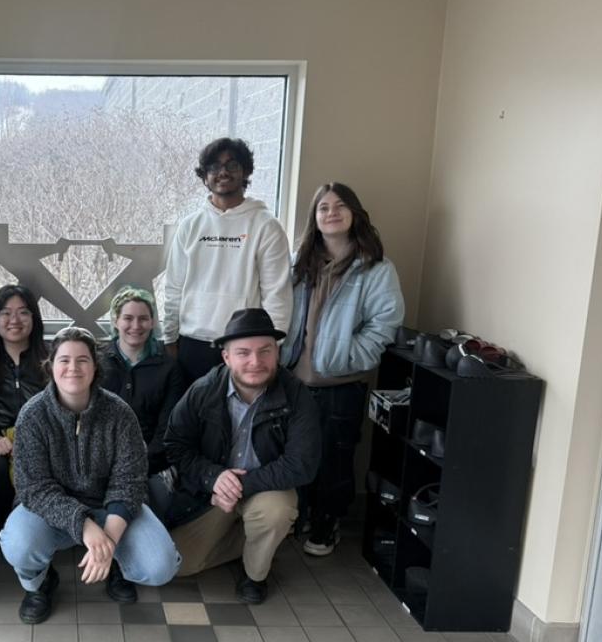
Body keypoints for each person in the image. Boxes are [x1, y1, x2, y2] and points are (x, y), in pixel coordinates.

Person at [0, 327, 180, 623]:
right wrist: (84, 525)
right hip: (50, 511)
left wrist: (108, 541)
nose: (73, 368)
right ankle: (39, 583)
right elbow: (34, 488)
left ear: (95, 367)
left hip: (110, 509)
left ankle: (117, 566)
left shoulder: (120, 413)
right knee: (18, 544)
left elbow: (130, 481)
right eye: (64, 360)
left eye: (82, 360)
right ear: (51, 366)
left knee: (161, 565)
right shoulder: (33, 415)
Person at [162, 308, 320, 604]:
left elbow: (302, 464)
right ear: (226, 357)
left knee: (275, 512)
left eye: (265, 351)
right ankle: (255, 539)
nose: (255, 362)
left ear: (277, 353)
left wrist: (238, 486)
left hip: (266, 488)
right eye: (243, 353)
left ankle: (254, 575)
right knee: (177, 565)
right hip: (213, 493)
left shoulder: (297, 395)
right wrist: (212, 477)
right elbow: (176, 445)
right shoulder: (204, 390)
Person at [281, 183, 404, 556]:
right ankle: (300, 515)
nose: (331, 213)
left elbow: (385, 324)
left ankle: (327, 523)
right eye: (323, 208)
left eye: (339, 206)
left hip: (342, 384)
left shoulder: (375, 268)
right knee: (295, 453)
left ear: (355, 213)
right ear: (314, 218)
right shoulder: (299, 263)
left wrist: (350, 356)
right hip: (294, 380)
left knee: (335, 458)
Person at [161, 138, 293, 384]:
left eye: (232, 165)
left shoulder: (266, 226)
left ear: (245, 172)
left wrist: (273, 346)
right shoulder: (190, 226)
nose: (223, 172)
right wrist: (169, 337)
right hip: (192, 345)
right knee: (193, 410)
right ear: (205, 176)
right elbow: (174, 287)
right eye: (214, 167)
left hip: (245, 346)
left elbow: (277, 294)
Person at [99, 285, 185, 517]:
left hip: (152, 462)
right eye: (128, 318)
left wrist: (140, 459)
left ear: (152, 322)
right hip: (102, 458)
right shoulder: (98, 362)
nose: (136, 326)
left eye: (143, 319)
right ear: (116, 321)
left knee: (150, 504)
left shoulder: (169, 368)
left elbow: (169, 426)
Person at [0, 284, 48, 537]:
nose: (14, 320)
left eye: (23, 312)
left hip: (44, 439)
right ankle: (3, 527)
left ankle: (40, 529)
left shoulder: (50, 358)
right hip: (0, 440)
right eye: (5, 313)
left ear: (34, 318)